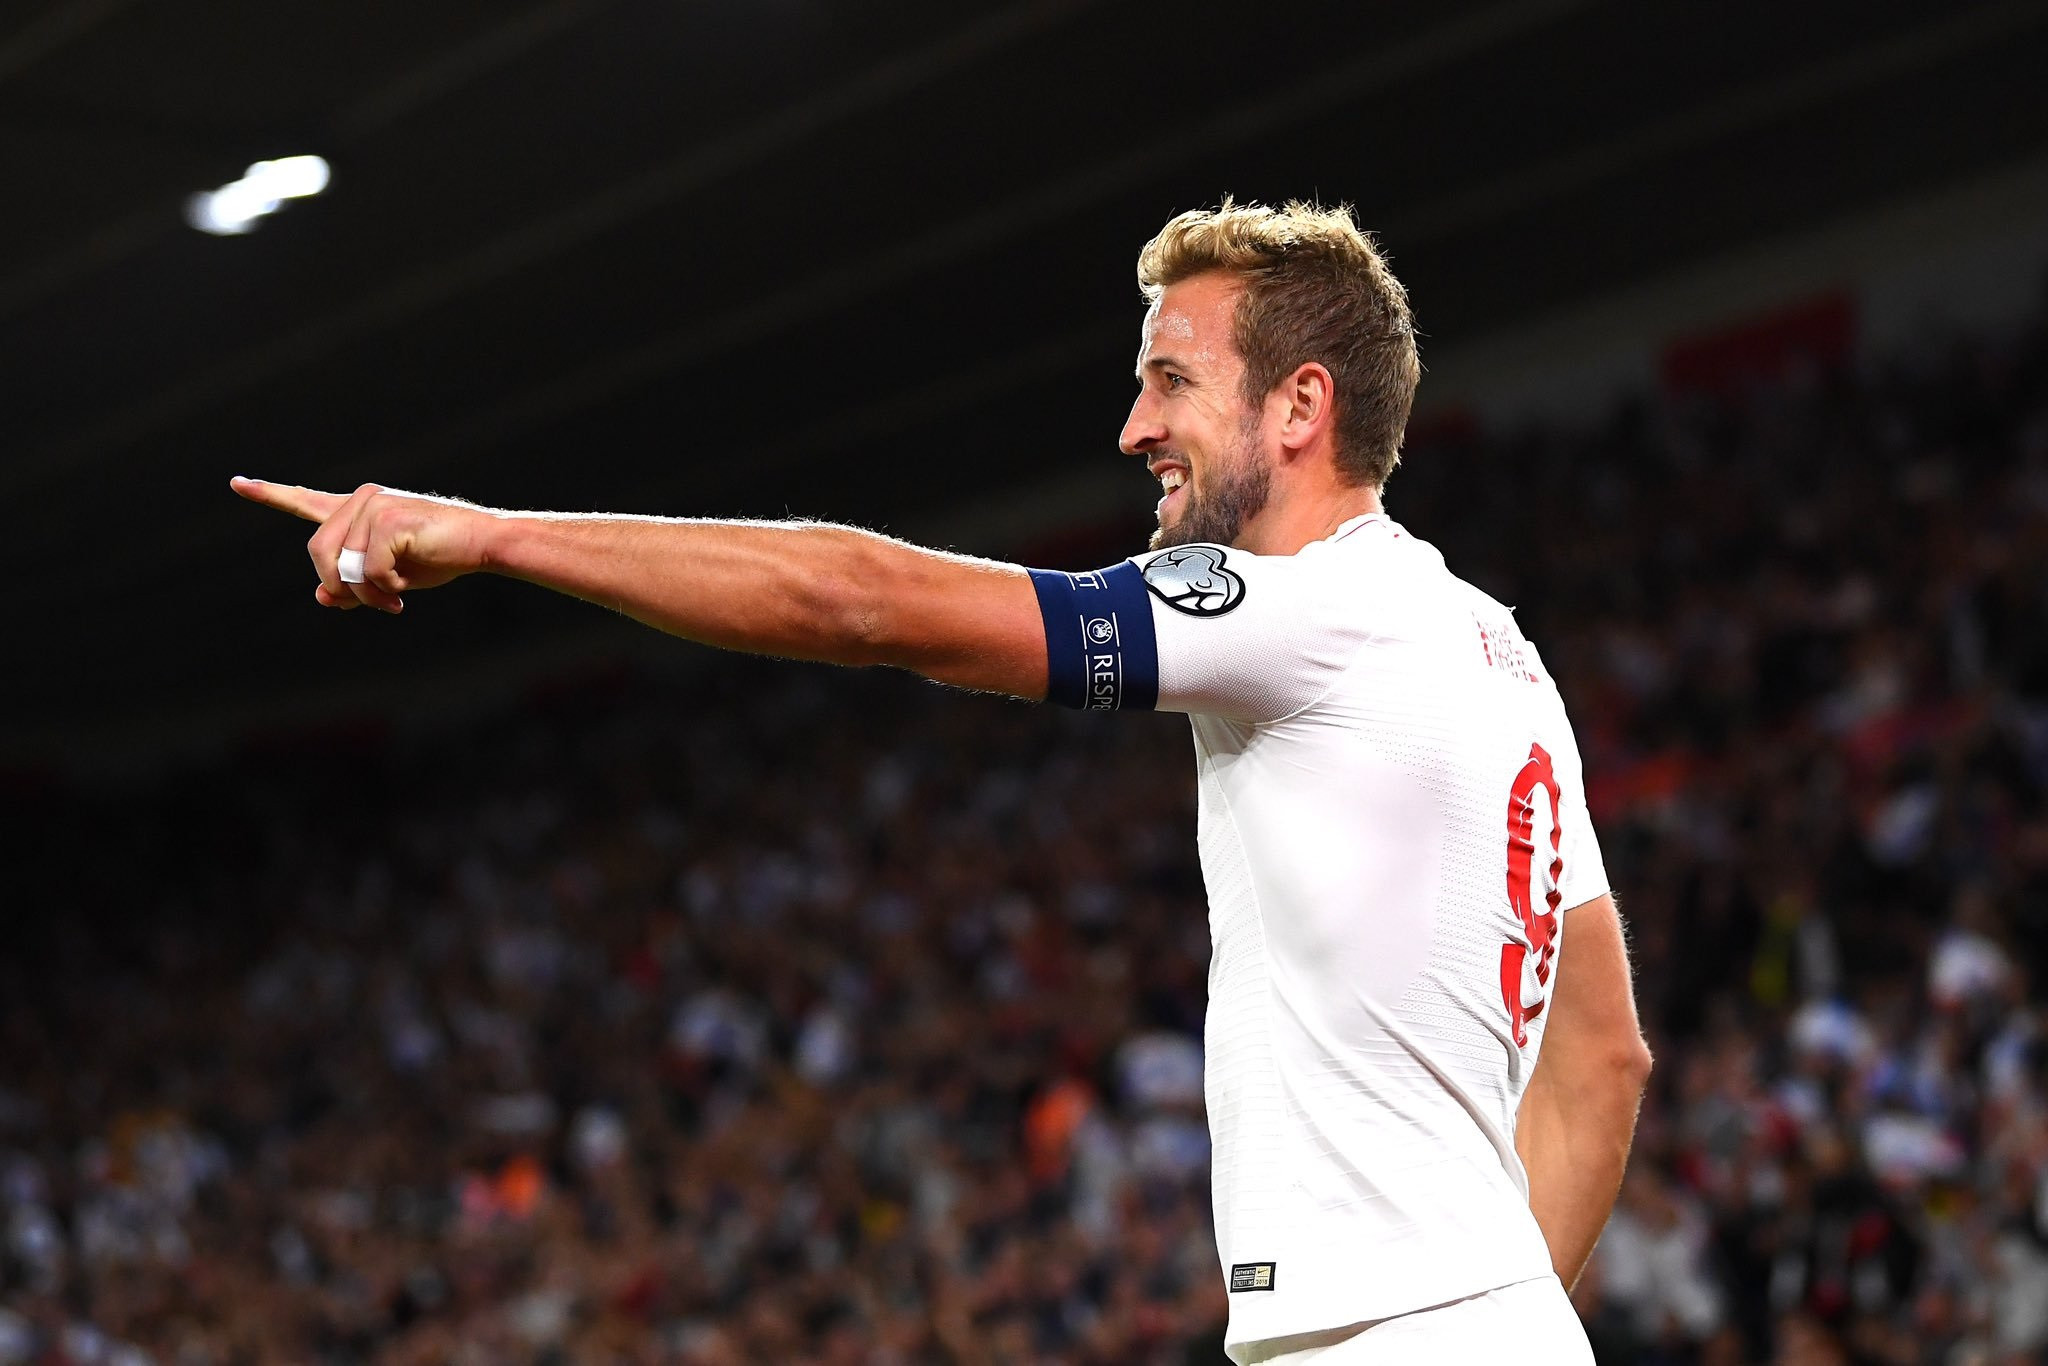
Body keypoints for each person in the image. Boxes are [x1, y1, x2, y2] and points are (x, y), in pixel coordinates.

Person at [233, 198, 1652, 1364]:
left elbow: (862, 602)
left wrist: (491, 537)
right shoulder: (1499, 657)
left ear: (1300, 406)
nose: (1133, 426)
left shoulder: (1308, 608)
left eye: (1170, 378)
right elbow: (1603, 1059)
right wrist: (1503, 1318)